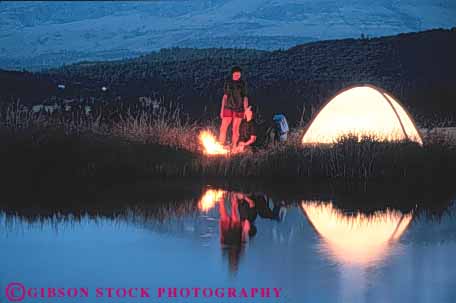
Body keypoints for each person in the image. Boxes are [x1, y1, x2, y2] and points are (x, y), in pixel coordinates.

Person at [219, 66, 249, 150]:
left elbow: (245, 97)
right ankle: (220, 145)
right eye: (236, 74)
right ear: (232, 74)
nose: (237, 76)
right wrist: (221, 110)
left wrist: (246, 110)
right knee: (223, 127)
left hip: (239, 108)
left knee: (235, 129)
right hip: (228, 107)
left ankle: (233, 147)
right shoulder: (228, 82)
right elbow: (225, 96)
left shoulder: (242, 84)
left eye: (239, 75)